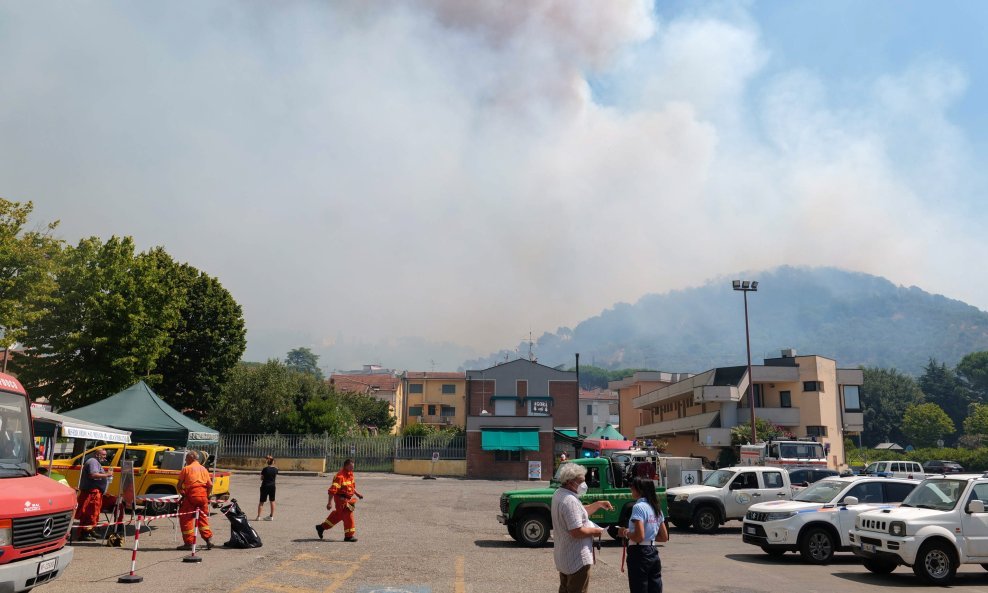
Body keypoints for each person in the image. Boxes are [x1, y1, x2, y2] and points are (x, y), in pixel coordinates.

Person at [551, 462, 614, 593]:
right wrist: (597, 531)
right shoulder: (570, 500)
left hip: (565, 556)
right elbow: (577, 531)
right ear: (569, 482)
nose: (584, 485)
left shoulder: (559, 494)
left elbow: (575, 514)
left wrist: (597, 505)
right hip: (576, 559)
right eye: (580, 482)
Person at [618, 476, 667, 593]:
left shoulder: (638, 507)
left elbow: (639, 536)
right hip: (653, 551)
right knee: (654, 588)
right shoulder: (656, 508)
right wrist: (649, 537)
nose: (631, 489)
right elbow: (664, 537)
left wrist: (625, 532)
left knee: (639, 588)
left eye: (632, 487)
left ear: (639, 490)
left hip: (639, 553)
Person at [315, 458, 363, 542]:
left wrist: (357, 494)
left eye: (353, 467)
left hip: (347, 499)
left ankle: (321, 527)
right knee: (348, 516)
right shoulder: (339, 476)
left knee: (338, 515)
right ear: (346, 466)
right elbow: (332, 490)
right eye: (351, 467)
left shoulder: (350, 474)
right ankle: (348, 536)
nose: (353, 469)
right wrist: (329, 503)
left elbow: (351, 487)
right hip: (340, 499)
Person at [176, 450, 214, 551]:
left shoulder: (186, 469)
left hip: (192, 495)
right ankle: (208, 540)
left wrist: (183, 494)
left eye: (186, 458)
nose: (185, 460)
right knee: (203, 518)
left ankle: (189, 543)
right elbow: (210, 485)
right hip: (203, 496)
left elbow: (179, 486)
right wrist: (206, 495)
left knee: (186, 518)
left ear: (190, 458)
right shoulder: (204, 469)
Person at [75, 448, 112, 541]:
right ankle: (85, 533)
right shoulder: (93, 462)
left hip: (94, 492)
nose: (105, 457)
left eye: (105, 455)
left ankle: (90, 530)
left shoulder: (95, 462)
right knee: (90, 514)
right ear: (97, 454)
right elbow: (93, 474)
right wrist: (107, 475)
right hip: (91, 493)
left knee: (94, 514)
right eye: (103, 455)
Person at [257, 455, 278, 521]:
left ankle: (259, 517)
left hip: (265, 486)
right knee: (272, 501)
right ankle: (271, 516)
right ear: (273, 462)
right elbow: (275, 477)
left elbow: (261, 478)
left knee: (261, 502)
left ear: (267, 462)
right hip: (272, 486)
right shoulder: (275, 469)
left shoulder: (265, 469)